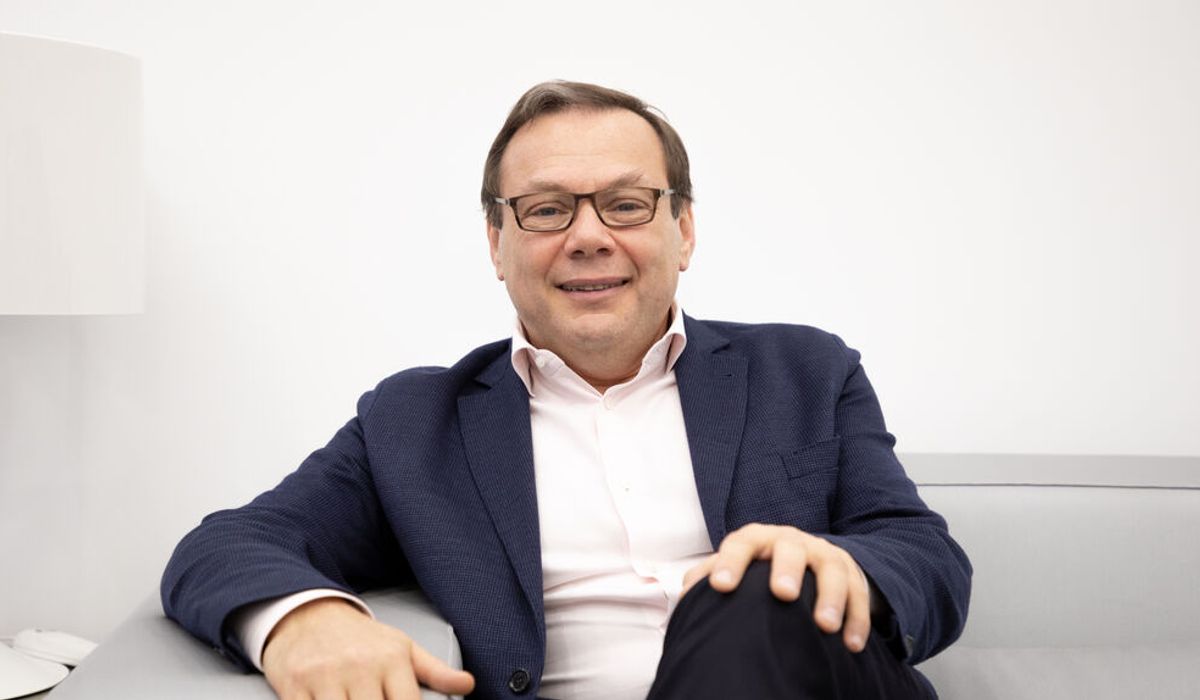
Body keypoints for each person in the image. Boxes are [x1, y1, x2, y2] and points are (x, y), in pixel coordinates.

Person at [162, 80, 972, 700]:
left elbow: (928, 560)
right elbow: (225, 546)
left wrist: (835, 565)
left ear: (683, 231)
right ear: (497, 243)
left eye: (625, 205)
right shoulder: (413, 424)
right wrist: (305, 620)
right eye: (547, 210)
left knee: (755, 588)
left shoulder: (807, 370)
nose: (589, 237)